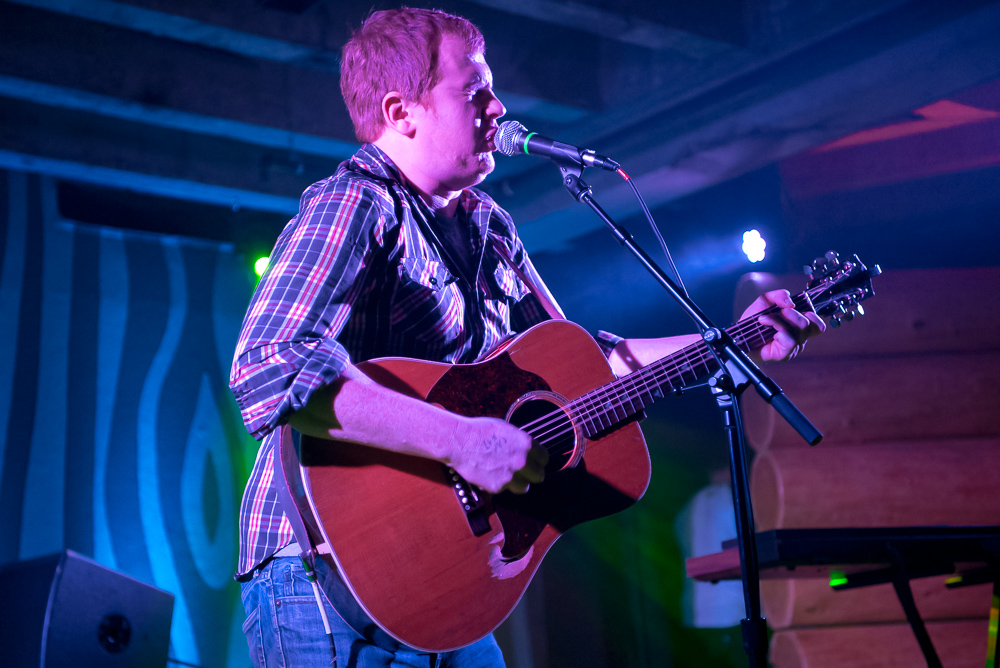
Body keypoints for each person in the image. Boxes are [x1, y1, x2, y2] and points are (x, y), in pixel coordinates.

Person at [230, 7, 824, 668]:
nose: (499, 107)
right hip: (320, 574)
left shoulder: (489, 225)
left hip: (444, 580)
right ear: (402, 113)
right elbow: (269, 365)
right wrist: (460, 441)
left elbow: (583, 372)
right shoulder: (354, 204)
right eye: (474, 92)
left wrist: (737, 338)